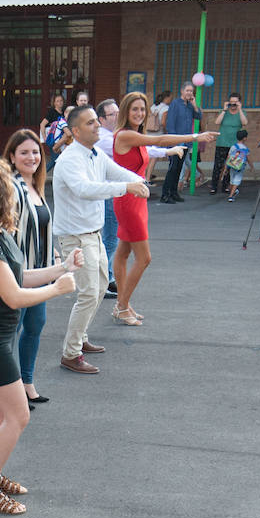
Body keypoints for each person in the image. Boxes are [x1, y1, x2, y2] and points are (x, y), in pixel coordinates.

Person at [0, 159, 78, 513]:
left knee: (2, 409)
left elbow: (20, 277)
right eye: (10, 192)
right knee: (18, 414)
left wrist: (62, 268)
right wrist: (57, 289)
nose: (15, 197)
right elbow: (12, 296)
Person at [52, 105, 149, 374]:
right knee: (88, 293)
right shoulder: (70, 158)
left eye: (97, 121)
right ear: (75, 131)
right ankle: (70, 353)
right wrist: (126, 188)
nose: (97, 125)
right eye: (90, 122)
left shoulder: (94, 154)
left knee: (101, 286)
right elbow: (85, 190)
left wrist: (139, 182)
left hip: (91, 233)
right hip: (75, 237)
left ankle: (80, 339)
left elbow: (117, 171)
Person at [110, 91, 213, 326]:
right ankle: (122, 306)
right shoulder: (124, 135)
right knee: (144, 258)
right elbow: (158, 140)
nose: (139, 113)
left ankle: (122, 305)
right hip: (128, 200)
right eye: (134, 109)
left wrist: (171, 149)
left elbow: (154, 147)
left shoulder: (135, 135)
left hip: (136, 198)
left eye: (142, 109)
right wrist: (196, 136)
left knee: (124, 253)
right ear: (125, 111)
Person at [3, 129, 58, 407]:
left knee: (35, 325)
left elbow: (39, 226)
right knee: (13, 330)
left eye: (35, 152)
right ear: (12, 157)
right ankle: (7, 392)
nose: (31, 157)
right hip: (20, 274)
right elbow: (2, 231)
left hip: (42, 271)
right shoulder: (12, 188)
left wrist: (53, 252)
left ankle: (27, 383)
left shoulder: (36, 186)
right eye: (24, 152)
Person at [159, 82, 203, 202]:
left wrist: (194, 105)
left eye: (191, 91)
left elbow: (199, 116)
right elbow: (170, 123)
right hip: (175, 142)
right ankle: (165, 194)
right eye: (187, 90)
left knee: (179, 169)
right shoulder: (175, 103)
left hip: (186, 142)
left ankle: (174, 193)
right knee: (172, 169)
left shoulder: (189, 105)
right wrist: (173, 141)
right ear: (182, 91)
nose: (189, 93)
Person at [95, 97, 120, 296]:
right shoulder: (105, 139)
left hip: (112, 193)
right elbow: (142, 149)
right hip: (109, 194)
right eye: (113, 114)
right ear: (102, 119)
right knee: (110, 239)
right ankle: (104, 280)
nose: (118, 116)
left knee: (111, 238)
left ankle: (108, 277)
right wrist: (167, 149)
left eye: (118, 112)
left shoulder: (113, 136)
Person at [210, 93, 248, 194]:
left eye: (235, 103)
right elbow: (217, 122)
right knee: (218, 166)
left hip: (235, 144)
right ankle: (214, 186)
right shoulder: (224, 112)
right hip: (222, 142)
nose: (233, 105)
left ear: (239, 103)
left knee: (231, 166)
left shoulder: (242, 112)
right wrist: (224, 110)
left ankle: (225, 186)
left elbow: (244, 123)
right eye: (231, 102)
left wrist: (239, 109)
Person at [225, 129, 251, 201]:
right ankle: (231, 196)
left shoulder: (233, 147)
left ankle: (232, 191)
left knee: (232, 179)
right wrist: (251, 166)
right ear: (245, 138)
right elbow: (248, 159)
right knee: (237, 180)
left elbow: (228, 157)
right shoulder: (246, 149)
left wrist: (226, 168)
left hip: (232, 165)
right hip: (240, 167)